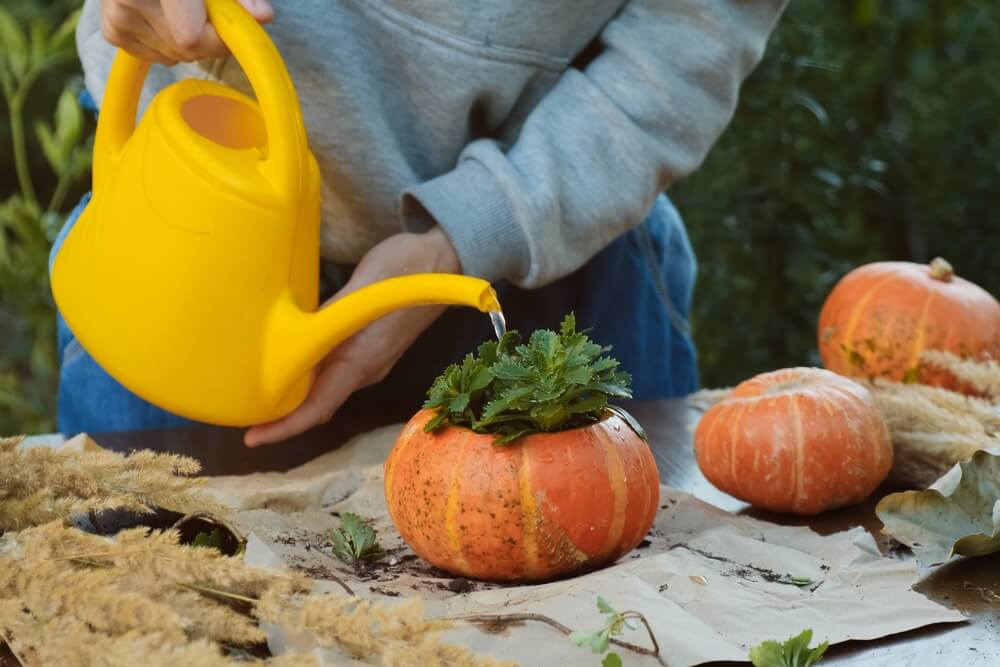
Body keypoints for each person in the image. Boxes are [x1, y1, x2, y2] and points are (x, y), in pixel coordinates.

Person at [53, 0, 788, 445]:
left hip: (547, 240)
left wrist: (467, 237)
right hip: (178, 245)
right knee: (135, 600)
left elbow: (694, 36)